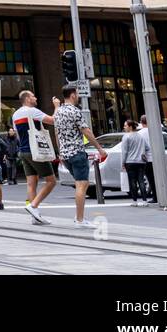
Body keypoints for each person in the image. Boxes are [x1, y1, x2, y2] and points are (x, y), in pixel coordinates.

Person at [55, 87, 107, 228]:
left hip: (65, 155)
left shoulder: (58, 112)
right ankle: (80, 219)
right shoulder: (75, 111)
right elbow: (86, 131)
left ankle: (79, 217)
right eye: (77, 94)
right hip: (77, 152)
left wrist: (60, 152)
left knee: (80, 184)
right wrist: (99, 148)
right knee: (82, 184)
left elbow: (57, 132)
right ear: (72, 95)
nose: (77, 96)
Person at [11, 89, 57, 225]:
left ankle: (34, 216)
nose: (35, 98)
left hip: (23, 151)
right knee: (51, 181)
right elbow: (53, 121)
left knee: (31, 183)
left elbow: (18, 134)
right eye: (33, 96)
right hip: (35, 151)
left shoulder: (15, 114)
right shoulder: (32, 111)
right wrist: (56, 107)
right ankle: (33, 206)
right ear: (27, 99)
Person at [120, 119, 151, 206]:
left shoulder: (126, 137)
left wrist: (123, 162)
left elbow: (124, 151)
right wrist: (143, 154)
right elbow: (148, 148)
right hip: (141, 162)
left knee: (132, 181)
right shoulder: (140, 136)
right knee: (141, 180)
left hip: (130, 162)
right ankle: (145, 201)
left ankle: (135, 201)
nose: (124, 127)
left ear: (130, 127)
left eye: (125, 125)